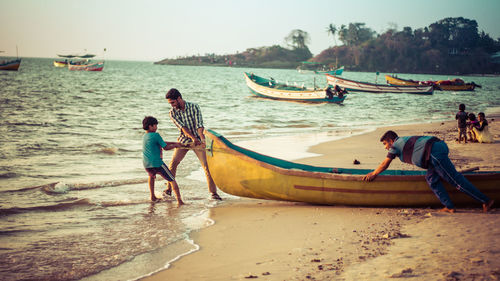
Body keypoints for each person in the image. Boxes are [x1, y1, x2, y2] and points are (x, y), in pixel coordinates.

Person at [363, 130, 494, 213]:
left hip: (433, 153)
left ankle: (485, 201)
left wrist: (374, 174)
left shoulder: (396, 145)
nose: (386, 147)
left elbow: (385, 164)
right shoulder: (402, 141)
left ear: (391, 141)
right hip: (433, 153)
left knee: (455, 180)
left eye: (385, 144)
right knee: (431, 179)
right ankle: (449, 206)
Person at [164, 88, 222, 200]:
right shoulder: (172, 113)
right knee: (173, 163)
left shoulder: (194, 107)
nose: (172, 105)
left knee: (206, 166)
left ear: (179, 98)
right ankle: (168, 189)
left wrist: (201, 139)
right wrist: (193, 138)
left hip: (198, 141)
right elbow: (183, 127)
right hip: (184, 140)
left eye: (173, 102)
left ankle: (213, 193)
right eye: (170, 103)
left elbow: (199, 125)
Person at [142, 116, 184, 206]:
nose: (156, 127)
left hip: (147, 164)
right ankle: (180, 201)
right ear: (150, 126)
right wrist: (175, 146)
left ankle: (152, 196)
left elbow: (162, 142)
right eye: (155, 125)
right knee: (172, 179)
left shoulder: (145, 136)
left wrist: (174, 142)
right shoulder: (156, 135)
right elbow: (165, 147)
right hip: (157, 164)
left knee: (151, 177)